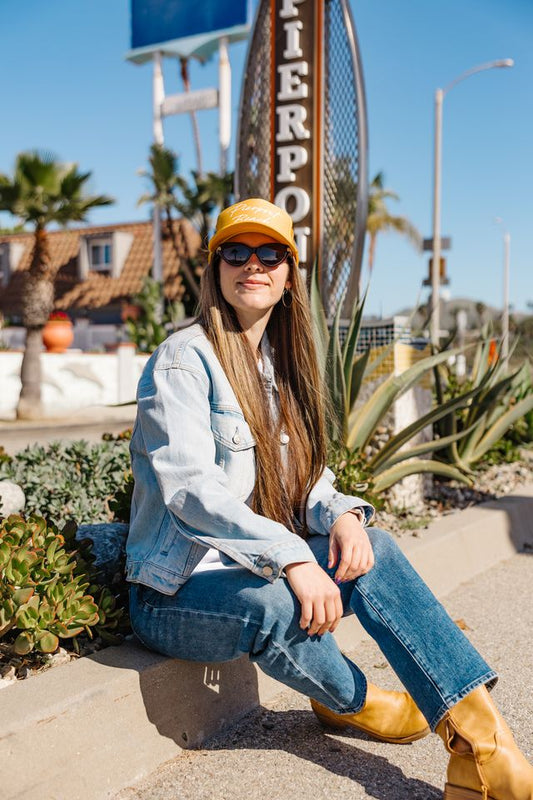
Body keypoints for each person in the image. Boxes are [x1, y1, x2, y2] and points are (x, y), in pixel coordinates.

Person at [126, 197, 532, 800]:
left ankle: (484, 749)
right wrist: (292, 555)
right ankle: (353, 702)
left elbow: (303, 480)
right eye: (236, 251)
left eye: (271, 254)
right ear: (215, 268)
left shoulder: (275, 366)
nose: (253, 265)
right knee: (274, 602)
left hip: (252, 562)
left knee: (378, 549)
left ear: (291, 275)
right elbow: (191, 490)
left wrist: (340, 515)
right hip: (174, 592)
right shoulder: (183, 359)